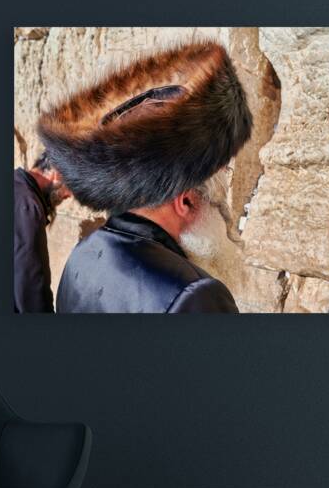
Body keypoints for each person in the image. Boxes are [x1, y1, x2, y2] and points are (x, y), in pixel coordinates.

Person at [36, 41, 252, 313]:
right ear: (185, 200)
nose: (222, 209)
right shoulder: (194, 295)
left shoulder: (81, 256)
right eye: (219, 188)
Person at [12, 151, 69, 313]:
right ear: (57, 172)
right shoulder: (29, 205)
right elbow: (31, 284)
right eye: (72, 186)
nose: (69, 195)